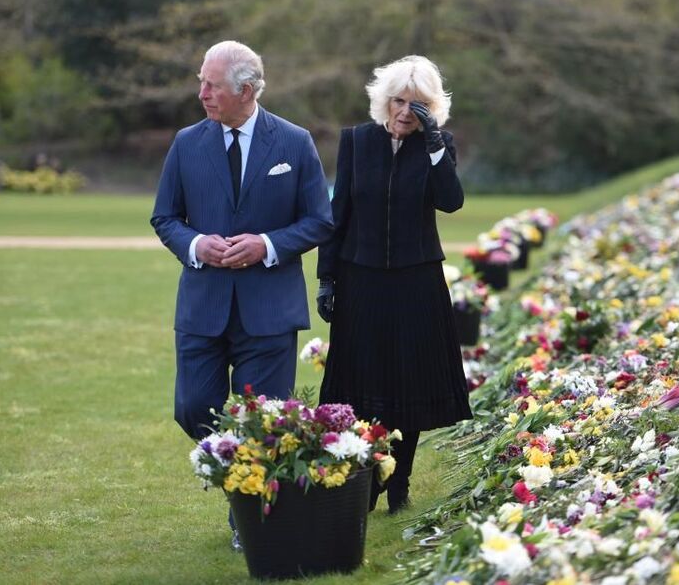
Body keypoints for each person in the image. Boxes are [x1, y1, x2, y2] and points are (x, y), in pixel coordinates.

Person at [151, 40, 333, 548]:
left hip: (270, 310)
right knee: (192, 408)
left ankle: (248, 518)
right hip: (202, 307)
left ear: (247, 90)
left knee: (264, 421)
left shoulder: (295, 143)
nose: (202, 93)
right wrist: (195, 244)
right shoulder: (187, 143)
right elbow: (164, 217)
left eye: (212, 85)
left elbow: (320, 220)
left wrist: (267, 245)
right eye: (201, 82)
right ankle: (240, 479)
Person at [316, 55, 472, 514]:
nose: (405, 112)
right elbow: (337, 213)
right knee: (361, 383)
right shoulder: (356, 142)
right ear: (384, 102)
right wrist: (328, 278)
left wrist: (436, 144)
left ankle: (399, 479)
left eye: (417, 105)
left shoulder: (438, 147)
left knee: (408, 384)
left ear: (431, 110)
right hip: (360, 278)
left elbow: (451, 202)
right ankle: (367, 478)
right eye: (399, 101)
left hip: (415, 281)